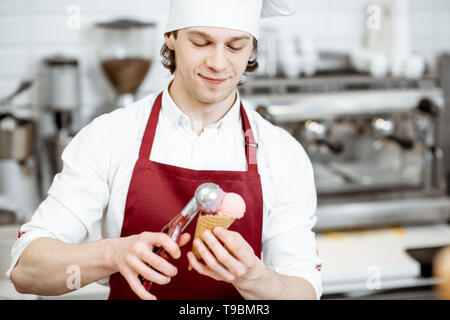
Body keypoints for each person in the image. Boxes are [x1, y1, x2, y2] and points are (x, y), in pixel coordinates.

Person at [7, 0, 322, 300]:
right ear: (171, 37)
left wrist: (253, 277)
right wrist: (112, 254)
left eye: (236, 46)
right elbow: (26, 270)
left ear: (252, 46)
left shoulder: (283, 155)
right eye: (201, 42)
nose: (218, 62)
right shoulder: (109, 136)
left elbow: (304, 290)